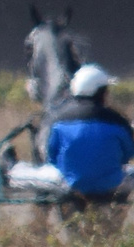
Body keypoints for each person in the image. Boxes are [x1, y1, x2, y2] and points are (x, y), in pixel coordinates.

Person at [16, 63, 134, 198]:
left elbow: (50, 155)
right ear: (101, 93)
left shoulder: (57, 119)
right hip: (112, 185)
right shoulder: (118, 120)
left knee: (28, 173)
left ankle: (9, 170)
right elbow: (128, 153)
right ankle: (116, 213)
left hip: (67, 185)